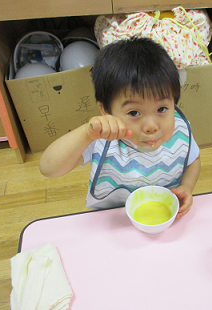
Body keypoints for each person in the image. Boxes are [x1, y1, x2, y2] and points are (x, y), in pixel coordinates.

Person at [39, 37, 201, 218]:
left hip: (163, 217)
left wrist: (186, 187)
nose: (151, 126)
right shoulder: (102, 138)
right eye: (134, 113)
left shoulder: (180, 130)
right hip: (113, 220)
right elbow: (48, 168)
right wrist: (86, 134)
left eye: (162, 109)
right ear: (106, 110)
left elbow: (193, 160)